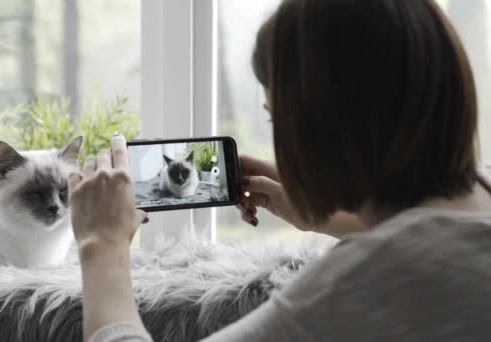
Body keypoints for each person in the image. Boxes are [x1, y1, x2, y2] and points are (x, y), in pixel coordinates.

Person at [69, 0, 491, 340]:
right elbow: (431, 243)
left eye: (276, 119)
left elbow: (403, 268)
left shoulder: (348, 293)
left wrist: (101, 245)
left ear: (319, 130)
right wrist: (337, 213)